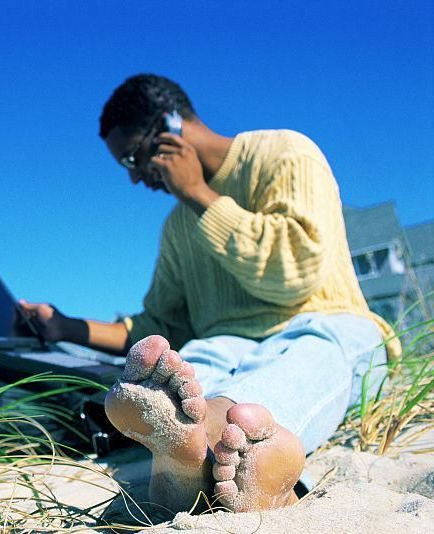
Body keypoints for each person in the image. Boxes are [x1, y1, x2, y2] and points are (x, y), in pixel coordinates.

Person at [20, 74, 400, 514]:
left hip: (324, 319)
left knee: (313, 351)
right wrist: (65, 326)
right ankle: (198, 448)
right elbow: (159, 325)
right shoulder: (177, 227)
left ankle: (222, 435)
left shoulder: (284, 153)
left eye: (131, 158)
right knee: (195, 359)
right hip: (228, 340)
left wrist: (200, 195)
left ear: (170, 127)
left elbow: (293, 274)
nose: (135, 178)